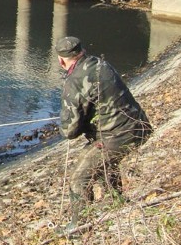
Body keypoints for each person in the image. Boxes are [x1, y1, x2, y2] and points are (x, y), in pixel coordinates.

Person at [55, 36, 151, 232]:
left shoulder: (74, 81)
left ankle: (80, 226)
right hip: (140, 126)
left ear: (61, 60)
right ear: (81, 51)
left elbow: (70, 131)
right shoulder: (100, 64)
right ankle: (117, 204)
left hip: (117, 135)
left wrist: (64, 126)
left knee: (79, 179)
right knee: (101, 164)